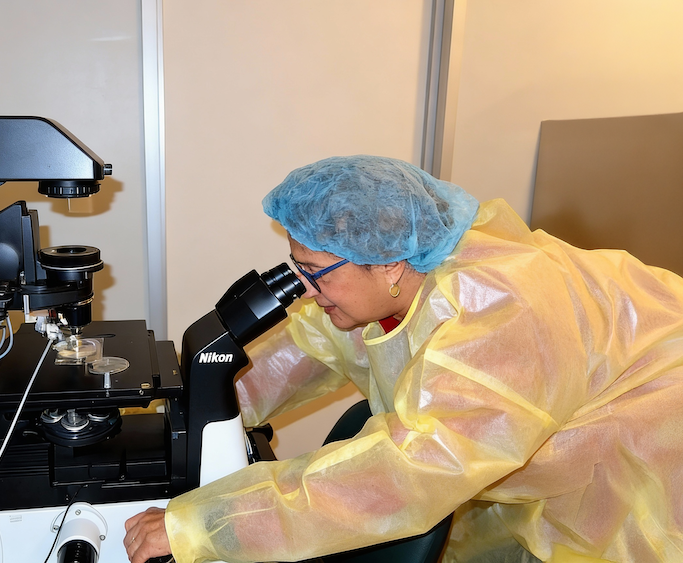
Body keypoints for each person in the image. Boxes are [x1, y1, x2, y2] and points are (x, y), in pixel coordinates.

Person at [124, 155, 683, 563]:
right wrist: (186, 410)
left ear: (388, 263)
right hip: (553, 458)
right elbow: (301, 350)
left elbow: (413, 469)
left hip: (648, 449)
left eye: (314, 273)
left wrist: (208, 524)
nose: (304, 290)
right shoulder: (388, 281)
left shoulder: (501, 311)